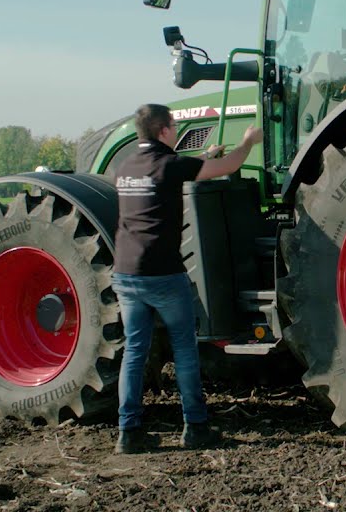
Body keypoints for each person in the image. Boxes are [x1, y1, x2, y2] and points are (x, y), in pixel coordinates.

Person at [112, 103, 263, 454]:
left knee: (134, 351)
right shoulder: (171, 165)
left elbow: (164, 173)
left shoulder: (125, 167)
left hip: (126, 273)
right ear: (164, 129)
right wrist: (248, 142)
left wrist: (205, 156)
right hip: (163, 274)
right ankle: (195, 427)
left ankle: (128, 433)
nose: (176, 131)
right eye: (174, 126)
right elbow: (231, 166)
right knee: (184, 349)